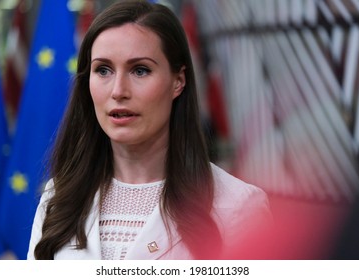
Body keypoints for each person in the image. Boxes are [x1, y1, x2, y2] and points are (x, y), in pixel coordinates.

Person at [27, 0, 271, 260]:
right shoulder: (58, 198)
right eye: (103, 70)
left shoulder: (238, 205)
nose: (118, 90)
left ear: (178, 82)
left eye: (140, 70)